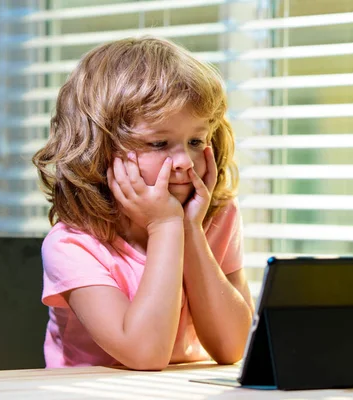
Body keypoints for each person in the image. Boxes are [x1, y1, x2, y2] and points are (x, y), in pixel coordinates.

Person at [32, 36, 254, 371]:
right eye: (159, 142)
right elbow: (145, 354)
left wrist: (190, 229)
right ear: (99, 149)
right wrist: (165, 225)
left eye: (196, 140)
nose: (185, 161)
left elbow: (231, 346)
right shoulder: (72, 245)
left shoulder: (217, 218)